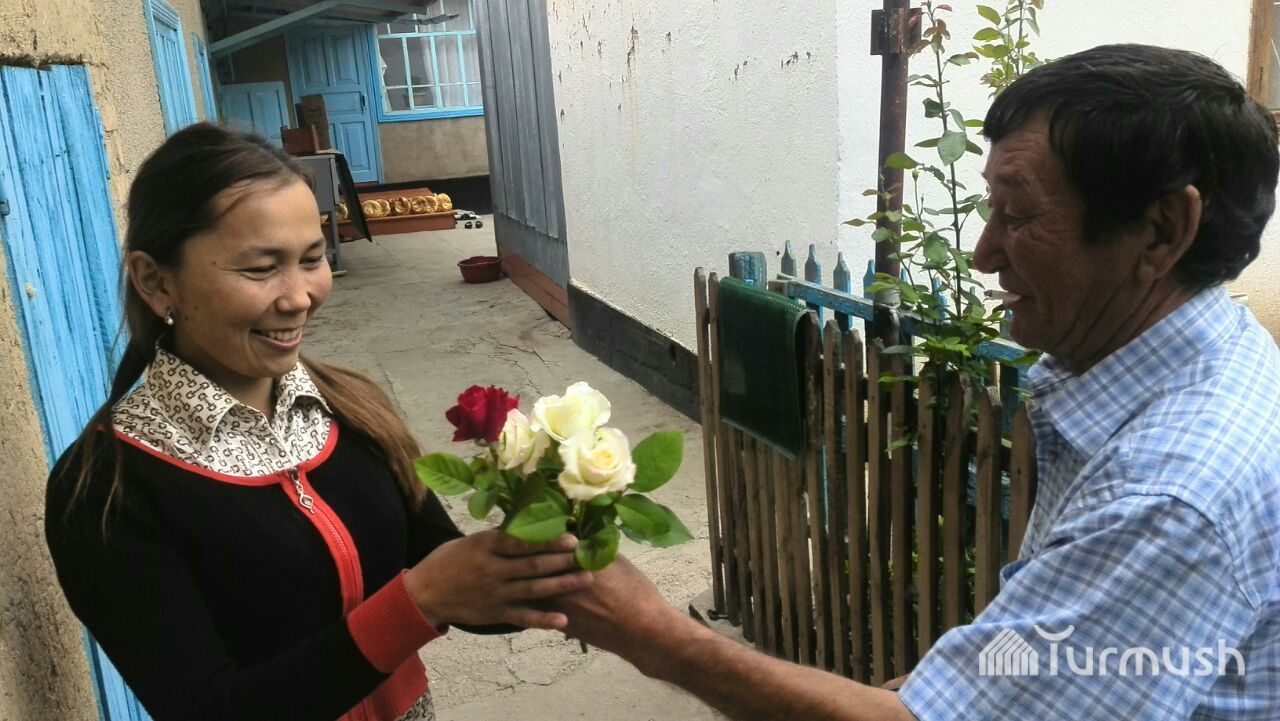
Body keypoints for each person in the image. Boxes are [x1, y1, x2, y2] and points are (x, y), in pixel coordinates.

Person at [556, 44, 1280, 720]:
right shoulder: (1204, 354)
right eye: (990, 208)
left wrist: (655, 636)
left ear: (1163, 230)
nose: (984, 252)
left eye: (1019, 213)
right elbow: (1049, 650)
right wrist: (963, 683)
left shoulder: (1173, 495)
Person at [44, 123, 593, 721]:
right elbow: (210, 708)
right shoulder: (105, 487)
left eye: (312, 260)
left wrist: (542, 557)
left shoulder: (350, 408)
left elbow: (447, 571)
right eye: (261, 269)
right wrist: (418, 603)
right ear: (156, 281)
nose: (299, 297)